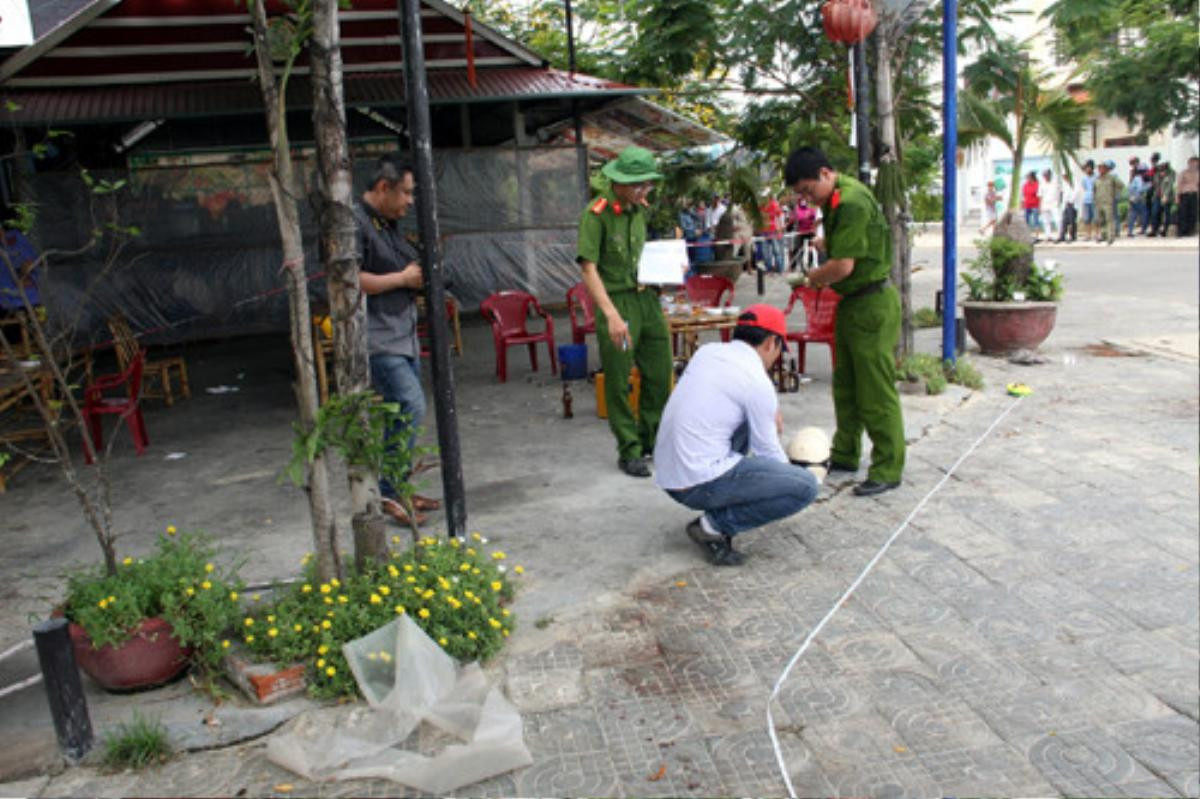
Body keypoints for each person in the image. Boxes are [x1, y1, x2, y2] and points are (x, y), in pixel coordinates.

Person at [654, 304, 819, 566]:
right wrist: (794, 477)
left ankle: (721, 503)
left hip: (668, 474)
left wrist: (766, 412)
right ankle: (712, 526)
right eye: (779, 349)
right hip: (696, 483)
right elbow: (769, 454)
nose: (776, 357)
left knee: (743, 419)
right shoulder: (756, 381)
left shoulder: (707, 353)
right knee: (806, 488)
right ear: (770, 343)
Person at [784, 146, 905, 497]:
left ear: (825, 173)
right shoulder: (839, 196)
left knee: (875, 390)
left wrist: (810, 278)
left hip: (871, 303)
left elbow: (843, 267)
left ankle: (887, 466)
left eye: (808, 191)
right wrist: (828, 242)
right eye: (801, 195)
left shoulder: (849, 201)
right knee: (847, 386)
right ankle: (846, 453)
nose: (808, 199)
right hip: (852, 302)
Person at [576, 146, 673, 478]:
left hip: (647, 299)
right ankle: (629, 449)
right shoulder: (597, 213)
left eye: (647, 185)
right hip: (617, 303)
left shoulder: (638, 210)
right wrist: (611, 315)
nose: (644, 191)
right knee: (618, 381)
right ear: (619, 182)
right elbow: (588, 269)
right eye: (638, 185)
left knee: (660, 373)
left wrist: (671, 269)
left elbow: (644, 255)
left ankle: (652, 438)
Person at [356, 154, 441, 526]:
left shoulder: (387, 223)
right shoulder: (353, 223)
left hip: (402, 333)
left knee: (404, 415)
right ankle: (390, 494)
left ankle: (397, 487)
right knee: (409, 405)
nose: (409, 201)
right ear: (383, 188)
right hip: (376, 337)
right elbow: (348, 279)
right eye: (405, 193)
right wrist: (403, 280)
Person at [1093, 160, 1123, 246]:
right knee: (1101, 220)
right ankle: (1103, 235)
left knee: (1109, 220)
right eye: (1099, 168)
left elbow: (1120, 185)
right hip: (1099, 202)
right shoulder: (1097, 179)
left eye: (1102, 168)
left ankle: (1110, 237)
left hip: (1108, 202)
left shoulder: (1112, 178)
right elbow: (1094, 190)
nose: (1100, 170)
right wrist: (1095, 200)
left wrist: (1116, 196)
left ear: (1106, 169)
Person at [1149, 156, 1175, 237]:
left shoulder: (1171, 174)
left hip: (1166, 197)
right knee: (1155, 213)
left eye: (1163, 167)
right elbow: (1154, 184)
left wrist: (1165, 196)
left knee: (1167, 214)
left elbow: (1169, 186)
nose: (1161, 170)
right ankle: (1154, 230)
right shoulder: (1156, 173)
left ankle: (1165, 230)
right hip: (1157, 196)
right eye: (1160, 168)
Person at [792, 198, 820, 270]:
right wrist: (807, 217)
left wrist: (810, 217)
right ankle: (795, 266)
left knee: (812, 249)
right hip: (801, 232)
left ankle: (811, 264)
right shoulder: (797, 209)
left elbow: (814, 217)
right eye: (802, 201)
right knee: (798, 249)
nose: (803, 202)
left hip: (810, 232)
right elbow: (799, 218)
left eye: (805, 201)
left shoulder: (810, 209)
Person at [1176, 156, 1199, 237]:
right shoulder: (1183, 173)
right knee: (1183, 214)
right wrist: (1177, 197)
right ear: (1189, 163)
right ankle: (1181, 231)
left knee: (1193, 214)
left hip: (1194, 195)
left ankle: (1190, 231)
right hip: (1185, 195)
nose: (1194, 165)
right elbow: (1179, 185)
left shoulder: (1198, 173)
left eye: (1196, 163)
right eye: (1193, 163)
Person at [1126, 167, 1149, 237]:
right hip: (1138, 199)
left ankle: (1130, 231)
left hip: (1132, 199)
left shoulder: (1134, 179)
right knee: (1144, 214)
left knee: (1132, 216)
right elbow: (1140, 189)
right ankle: (1143, 230)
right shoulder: (1139, 179)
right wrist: (1148, 186)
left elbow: (1129, 188)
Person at [1038, 169, 1061, 241]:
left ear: (1050, 175)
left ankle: (1060, 234)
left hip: (1054, 204)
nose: (1046, 176)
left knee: (1058, 220)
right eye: (1045, 175)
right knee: (1046, 221)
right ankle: (1048, 236)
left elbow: (1060, 193)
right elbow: (1040, 196)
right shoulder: (1042, 184)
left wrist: (1059, 202)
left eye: (1047, 175)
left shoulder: (1055, 183)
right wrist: (1040, 206)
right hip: (1045, 204)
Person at [1058, 174, 1079, 243]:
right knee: (1064, 221)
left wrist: (1071, 201)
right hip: (1065, 205)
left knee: (1072, 221)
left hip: (1072, 204)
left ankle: (1072, 236)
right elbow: (1062, 193)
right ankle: (1062, 236)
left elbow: (1076, 192)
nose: (1064, 178)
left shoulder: (1074, 183)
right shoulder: (1064, 184)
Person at [1021, 171, 1041, 238]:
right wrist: (1022, 205)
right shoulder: (1025, 185)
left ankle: (1037, 236)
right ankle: (1027, 236)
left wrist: (1039, 206)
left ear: (1032, 177)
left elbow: (1039, 195)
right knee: (1026, 221)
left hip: (1035, 205)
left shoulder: (1037, 184)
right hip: (1027, 205)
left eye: (1028, 177)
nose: (1027, 179)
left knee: (1036, 221)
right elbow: (1023, 195)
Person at [1081, 160, 1097, 241]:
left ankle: (1096, 234)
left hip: (1095, 200)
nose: (1087, 169)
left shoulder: (1096, 177)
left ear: (1092, 168)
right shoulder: (1084, 178)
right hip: (1086, 200)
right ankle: (1088, 235)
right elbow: (1084, 187)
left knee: (1096, 218)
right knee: (1087, 219)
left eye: (1088, 167)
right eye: (1086, 168)